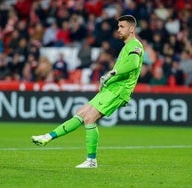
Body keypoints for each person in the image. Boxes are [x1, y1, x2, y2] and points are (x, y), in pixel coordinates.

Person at [31, 15, 144, 168]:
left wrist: (112, 73)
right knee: (81, 113)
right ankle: (48, 136)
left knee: (89, 118)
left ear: (131, 28)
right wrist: (108, 79)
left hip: (119, 91)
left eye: (122, 26)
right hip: (111, 88)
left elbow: (133, 63)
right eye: (118, 26)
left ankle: (91, 160)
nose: (118, 30)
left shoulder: (135, 45)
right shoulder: (126, 46)